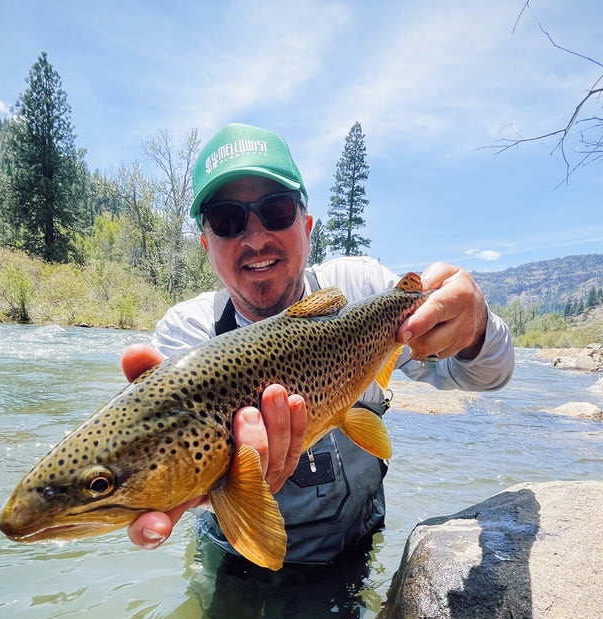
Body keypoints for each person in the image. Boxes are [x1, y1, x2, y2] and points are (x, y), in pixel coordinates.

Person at [122, 123, 514, 565]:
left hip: (355, 552)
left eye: (276, 209)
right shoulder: (186, 336)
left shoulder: (364, 290)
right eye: (227, 220)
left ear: (306, 226)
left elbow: (487, 375)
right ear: (206, 244)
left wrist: (476, 326)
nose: (254, 238)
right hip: (234, 563)